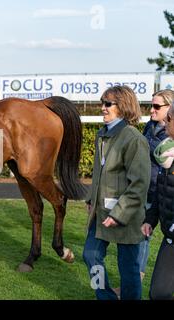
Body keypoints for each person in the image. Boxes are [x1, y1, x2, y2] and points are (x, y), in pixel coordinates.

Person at [83, 85, 151, 300]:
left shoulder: (134, 139)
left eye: (107, 103)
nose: (102, 107)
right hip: (101, 212)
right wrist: (90, 199)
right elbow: (100, 174)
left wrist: (118, 214)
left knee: (128, 269)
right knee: (90, 255)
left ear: (122, 106)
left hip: (126, 216)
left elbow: (139, 185)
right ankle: (106, 297)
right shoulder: (102, 135)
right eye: (102, 102)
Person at [138, 89, 173, 282]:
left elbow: (158, 155)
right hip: (143, 190)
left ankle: (136, 282)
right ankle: (135, 281)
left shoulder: (169, 137)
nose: (151, 110)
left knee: (144, 236)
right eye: (150, 105)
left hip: (158, 193)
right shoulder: (149, 126)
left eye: (156, 106)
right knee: (141, 234)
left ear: (170, 108)